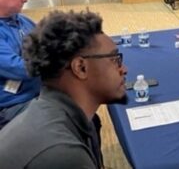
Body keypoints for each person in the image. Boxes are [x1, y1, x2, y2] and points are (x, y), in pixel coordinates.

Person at [0, 10, 128, 168]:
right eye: (115, 60)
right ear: (80, 68)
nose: (124, 69)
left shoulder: (49, 112)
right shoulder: (62, 153)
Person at [0, 0, 39, 129]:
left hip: (38, 94)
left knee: (86, 117)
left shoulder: (23, 21)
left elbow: (50, 43)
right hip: (11, 104)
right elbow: (19, 69)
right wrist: (57, 61)